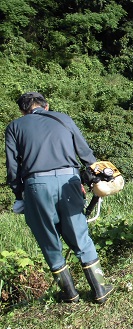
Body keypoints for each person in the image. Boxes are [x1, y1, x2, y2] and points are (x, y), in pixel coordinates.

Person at [5, 92, 114, 304]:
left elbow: (12, 166)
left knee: (47, 237)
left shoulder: (14, 127)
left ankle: (69, 293)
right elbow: (84, 152)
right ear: (46, 106)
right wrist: (96, 173)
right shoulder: (63, 118)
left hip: (36, 186)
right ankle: (99, 288)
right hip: (69, 182)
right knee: (79, 233)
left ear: (22, 110)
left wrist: (18, 194)